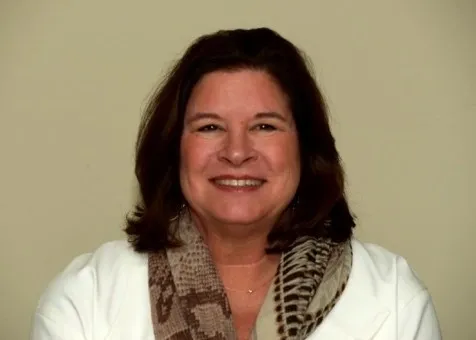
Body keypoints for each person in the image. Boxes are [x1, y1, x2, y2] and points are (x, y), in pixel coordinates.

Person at [30, 27, 441, 340]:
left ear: (306, 147)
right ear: (174, 149)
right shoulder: (86, 299)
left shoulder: (393, 299)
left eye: (265, 125)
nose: (237, 151)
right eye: (209, 127)